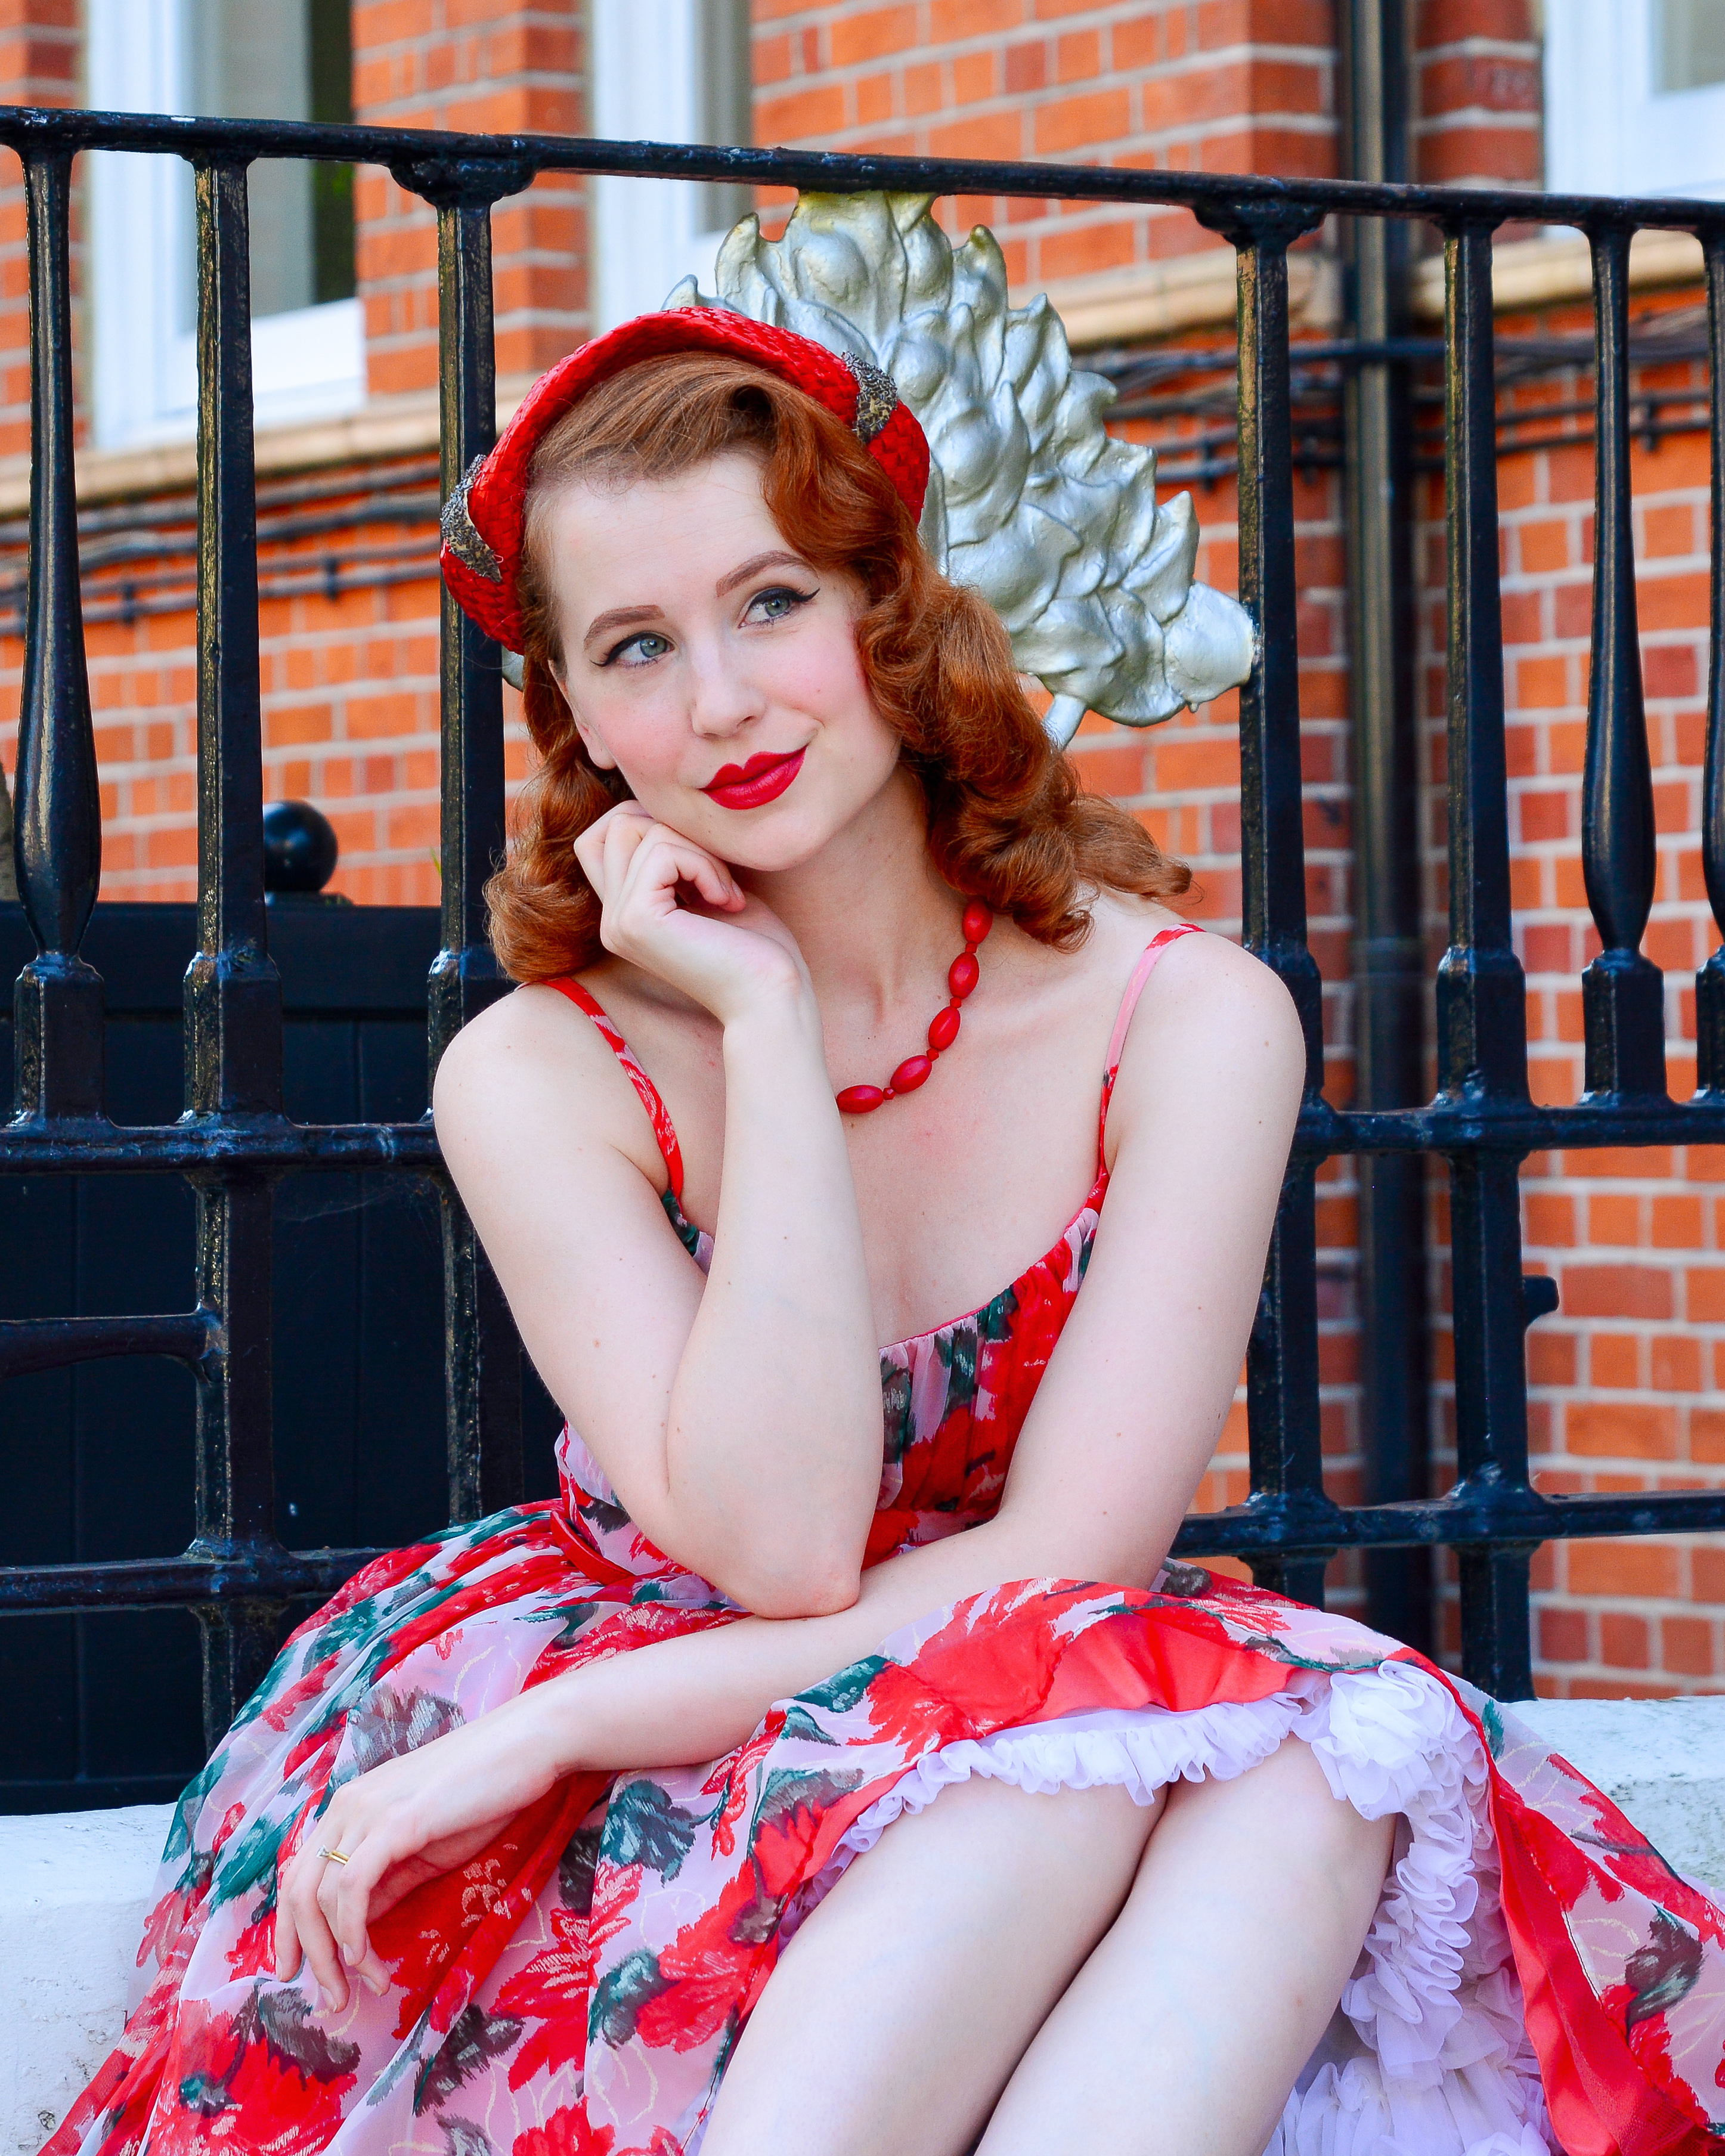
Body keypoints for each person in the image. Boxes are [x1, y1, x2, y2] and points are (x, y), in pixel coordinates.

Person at [45, 305, 1725, 2156]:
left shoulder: (1187, 1018)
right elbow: (780, 1546)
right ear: (576, 716)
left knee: (1316, 1774)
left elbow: (1070, 1566)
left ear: (887, 610)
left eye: (772, 600)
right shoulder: (542, 1072)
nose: (722, 701)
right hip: (686, 1710)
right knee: (1116, 1763)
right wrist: (763, 1026)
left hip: (981, 1674)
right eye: (637, 647)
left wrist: (563, 1723)